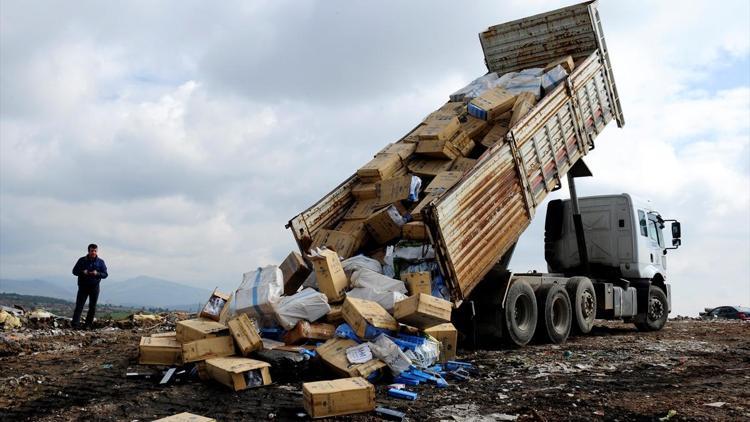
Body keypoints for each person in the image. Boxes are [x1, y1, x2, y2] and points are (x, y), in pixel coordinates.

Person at [71, 243, 108, 329]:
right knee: (79, 306)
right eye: (92, 251)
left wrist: (97, 273)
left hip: (94, 287)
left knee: (92, 307)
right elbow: (74, 271)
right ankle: (75, 325)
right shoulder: (82, 260)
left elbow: (105, 274)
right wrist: (83, 272)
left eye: (95, 251)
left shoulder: (100, 262)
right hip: (83, 287)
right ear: (88, 251)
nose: (93, 252)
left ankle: (88, 325)